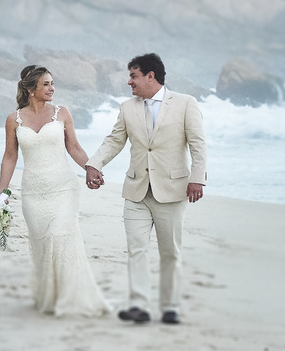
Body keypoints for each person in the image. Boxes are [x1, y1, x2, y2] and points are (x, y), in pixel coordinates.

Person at [84, 53, 207, 325]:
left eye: (133, 76)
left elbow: (198, 144)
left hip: (173, 190)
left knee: (170, 252)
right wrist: (94, 164)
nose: (129, 82)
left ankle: (170, 306)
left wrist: (197, 178)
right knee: (136, 250)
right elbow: (114, 140)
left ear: (151, 76)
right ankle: (139, 305)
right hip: (136, 191)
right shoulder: (127, 107)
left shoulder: (186, 104)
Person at [0, 65, 110, 317]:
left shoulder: (62, 113)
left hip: (64, 187)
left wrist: (91, 168)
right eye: (45, 84)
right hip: (33, 193)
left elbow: (75, 148)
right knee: (43, 244)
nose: (51, 88)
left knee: (60, 235)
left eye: (52, 83)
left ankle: (71, 298)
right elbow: (10, 157)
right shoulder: (14, 120)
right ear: (30, 89)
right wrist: (2, 192)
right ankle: (52, 296)